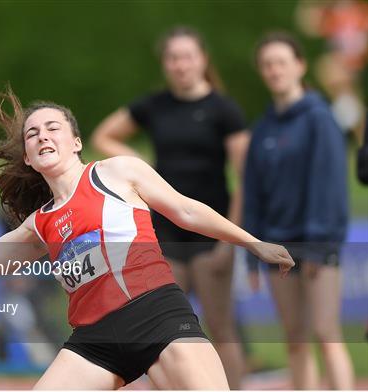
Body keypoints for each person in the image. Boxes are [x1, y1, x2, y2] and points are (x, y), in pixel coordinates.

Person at [0, 87, 294, 390]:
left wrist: (252, 242)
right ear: (28, 157)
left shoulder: (115, 172)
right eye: (33, 133)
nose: (42, 136)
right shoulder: (38, 224)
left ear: (76, 142)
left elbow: (187, 210)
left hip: (157, 316)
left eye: (52, 128)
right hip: (95, 340)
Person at [91, 26, 250, 388]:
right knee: (163, 330)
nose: (181, 65)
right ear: (165, 63)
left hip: (210, 232)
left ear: (203, 60)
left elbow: (245, 178)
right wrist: (140, 163)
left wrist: (231, 240)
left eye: (188, 57)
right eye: (173, 58)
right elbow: (104, 135)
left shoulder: (224, 109)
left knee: (221, 327)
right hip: (164, 231)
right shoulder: (154, 105)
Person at [245, 32, 354, 389]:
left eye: (281, 62)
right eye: (267, 64)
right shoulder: (262, 130)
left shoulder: (320, 119)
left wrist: (317, 247)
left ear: (300, 66)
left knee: (325, 332)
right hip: (278, 248)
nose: (274, 70)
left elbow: (329, 186)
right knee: (295, 336)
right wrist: (252, 253)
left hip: (316, 247)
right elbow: (254, 195)